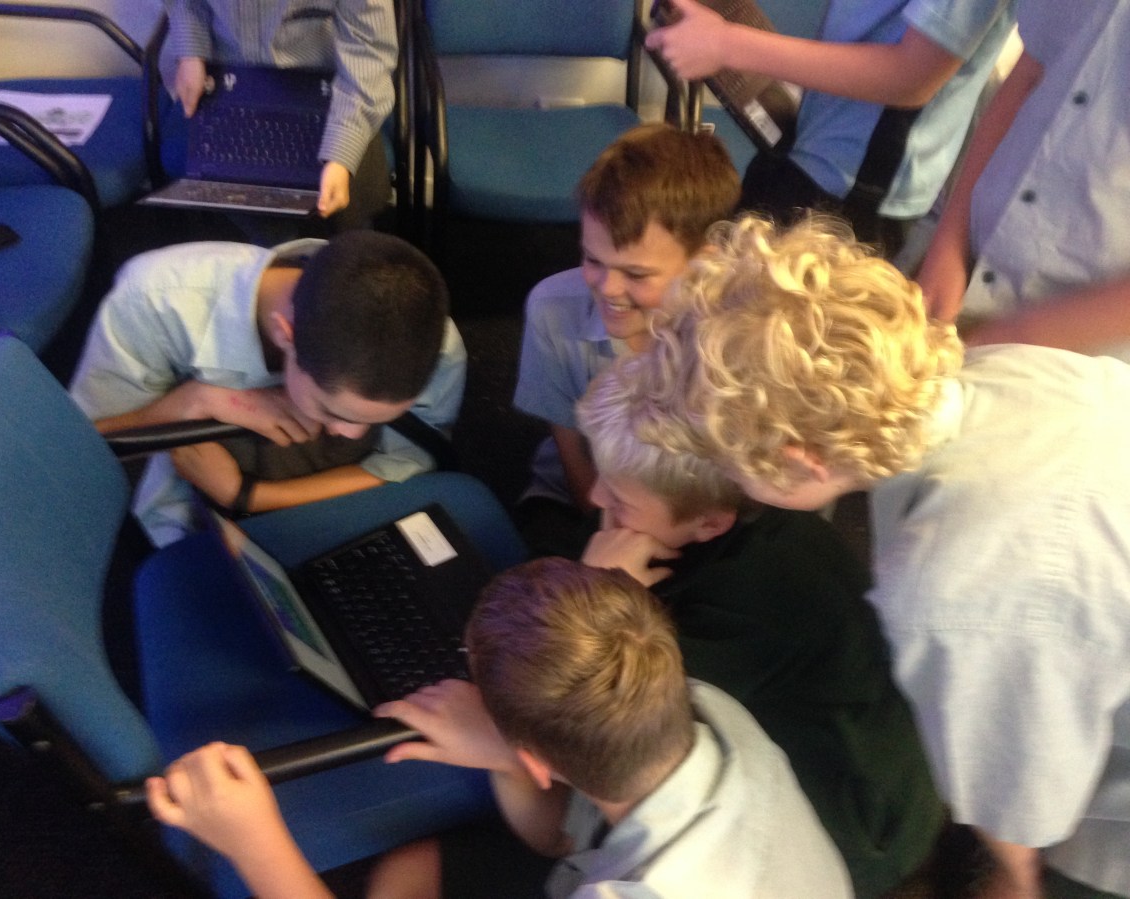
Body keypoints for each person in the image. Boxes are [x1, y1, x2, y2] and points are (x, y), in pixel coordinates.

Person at [616, 213, 1130, 898]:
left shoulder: (954, 591)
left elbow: (1020, 797)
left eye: (731, 465)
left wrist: (1013, 872)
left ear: (801, 460)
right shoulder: (1008, 366)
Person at [146, 558, 853, 899]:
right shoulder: (710, 710)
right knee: (406, 874)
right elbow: (564, 838)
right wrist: (508, 754)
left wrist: (254, 842)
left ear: (544, 760)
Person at [573, 364, 945, 898]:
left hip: (857, 832)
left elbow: (614, 722)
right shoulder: (739, 518)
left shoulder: (745, 602)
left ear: (710, 523)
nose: (594, 499)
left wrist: (598, 593)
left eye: (619, 500)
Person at [69, 231, 464, 547]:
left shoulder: (435, 342)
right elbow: (85, 444)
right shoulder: (155, 302)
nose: (352, 433)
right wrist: (193, 401)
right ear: (284, 335)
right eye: (332, 411)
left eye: (378, 420)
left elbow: (405, 460)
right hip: (192, 509)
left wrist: (246, 495)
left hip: (301, 497)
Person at [512, 122, 741, 558]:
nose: (608, 289)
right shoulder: (552, 309)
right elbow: (573, 455)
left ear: (703, 263)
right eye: (592, 259)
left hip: (691, 510)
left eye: (636, 274)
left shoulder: (743, 330)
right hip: (584, 499)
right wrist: (607, 539)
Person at [644, 0, 1016, 258]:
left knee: (770, 335)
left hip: (854, 187)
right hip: (804, 142)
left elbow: (912, 77)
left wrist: (726, 44)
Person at [917, 0, 1130, 365]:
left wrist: (1009, 334)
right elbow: (1032, 71)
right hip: (973, 267)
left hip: (1081, 354)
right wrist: (950, 242)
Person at [165, 0, 396, 225]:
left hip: (329, 90)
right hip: (228, 77)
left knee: (352, 193)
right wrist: (191, 52)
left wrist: (341, 152)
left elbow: (369, 52)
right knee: (195, 172)